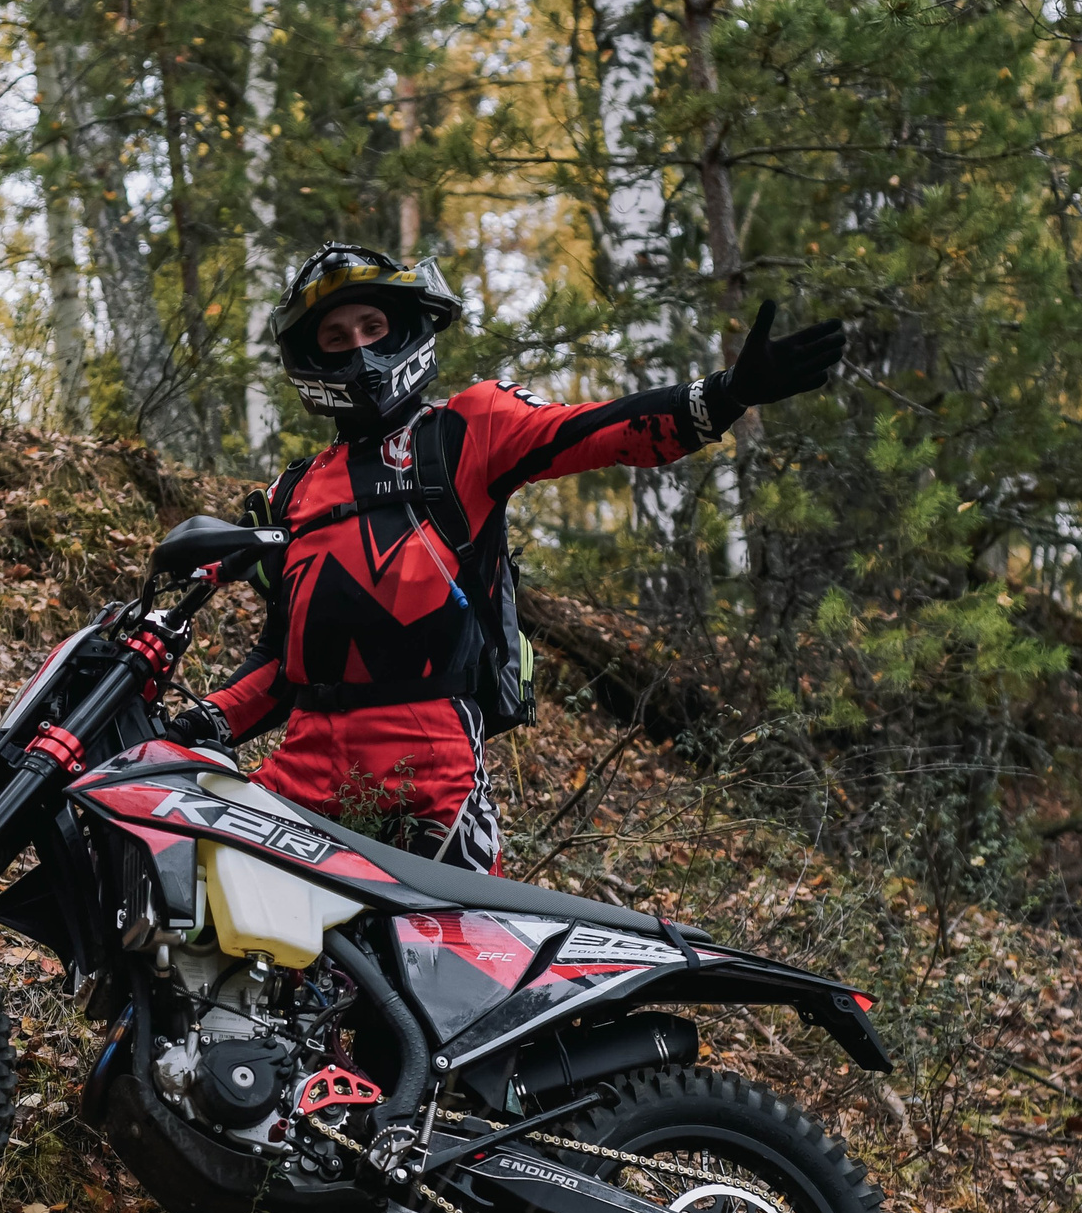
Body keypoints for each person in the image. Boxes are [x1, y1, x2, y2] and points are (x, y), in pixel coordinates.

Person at [170, 244, 846, 873]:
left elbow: (595, 432)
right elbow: (284, 662)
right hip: (304, 763)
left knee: (452, 978)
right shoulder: (293, 491)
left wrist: (725, 393)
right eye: (336, 338)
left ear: (406, 326)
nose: (360, 349)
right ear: (309, 361)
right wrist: (209, 718)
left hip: (430, 755)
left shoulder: (467, 427)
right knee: (216, 923)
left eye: (372, 326)